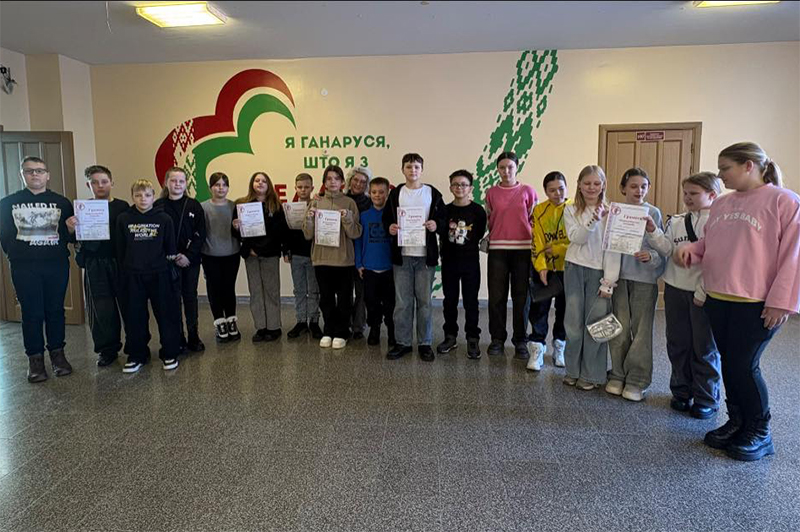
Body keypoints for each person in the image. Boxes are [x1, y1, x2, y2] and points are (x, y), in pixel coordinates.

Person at [677, 142, 800, 462]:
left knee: (745, 366)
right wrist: (693, 249)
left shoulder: (784, 201)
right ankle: (737, 422)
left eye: (725, 168)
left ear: (749, 166)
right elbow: (713, 241)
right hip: (719, 297)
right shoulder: (722, 203)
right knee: (730, 363)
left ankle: (760, 431)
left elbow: (793, 255)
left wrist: (781, 302)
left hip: (757, 301)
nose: (720, 175)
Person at [645, 171, 721, 419]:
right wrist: (653, 231)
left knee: (704, 347)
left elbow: (718, 261)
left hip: (704, 293)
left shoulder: (720, 223)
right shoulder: (677, 221)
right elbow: (668, 249)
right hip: (675, 289)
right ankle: (681, 391)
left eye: (694, 193)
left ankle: (706, 398)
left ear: (712, 194)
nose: (687, 198)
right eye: (685, 193)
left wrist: (703, 291)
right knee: (678, 343)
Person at [1, 156, 75, 383]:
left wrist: (71, 230)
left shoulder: (62, 202)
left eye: (39, 170)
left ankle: (58, 356)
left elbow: (70, 238)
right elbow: (4, 234)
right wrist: (17, 253)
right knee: (31, 313)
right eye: (29, 171)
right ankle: (35, 360)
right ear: (22, 174)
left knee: (55, 310)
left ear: (47, 175)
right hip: (24, 267)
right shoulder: (7, 203)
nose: (35, 174)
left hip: (56, 265)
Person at [603, 168, 665, 402]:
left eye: (643, 186)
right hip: (619, 279)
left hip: (644, 281)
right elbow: (606, 245)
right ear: (623, 188)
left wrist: (651, 257)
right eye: (633, 186)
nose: (639, 191)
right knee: (618, 327)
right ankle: (618, 374)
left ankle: (637, 379)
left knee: (641, 331)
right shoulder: (615, 212)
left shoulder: (653, 213)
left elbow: (662, 248)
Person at [383, 153, 446, 361]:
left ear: (422, 169)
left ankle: (425, 343)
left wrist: (436, 225)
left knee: (425, 302)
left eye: (417, 167)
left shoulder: (432, 193)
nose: (413, 170)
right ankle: (403, 342)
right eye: (409, 167)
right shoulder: (396, 194)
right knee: (402, 302)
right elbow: (386, 220)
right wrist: (390, 228)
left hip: (424, 257)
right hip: (402, 257)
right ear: (402, 169)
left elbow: (443, 219)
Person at [116, 179, 181, 373]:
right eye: (138, 195)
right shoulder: (124, 219)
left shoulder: (164, 219)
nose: (142, 199)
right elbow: (120, 249)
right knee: (134, 316)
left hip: (159, 273)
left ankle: (169, 352)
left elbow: (170, 247)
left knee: (166, 314)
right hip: (132, 274)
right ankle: (137, 355)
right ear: (132, 197)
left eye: (147, 195)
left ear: (153, 197)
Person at [68, 165, 129, 367]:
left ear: (112, 182)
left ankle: (135, 346)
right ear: (89, 185)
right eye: (95, 182)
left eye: (104, 181)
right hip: (95, 263)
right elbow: (74, 238)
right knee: (101, 309)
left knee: (129, 306)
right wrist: (71, 229)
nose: (100, 186)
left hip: (120, 262)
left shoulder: (122, 206)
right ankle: (107, 349)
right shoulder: (82, 209)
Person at [562, 165, 614, 391]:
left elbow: (614, 249)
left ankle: (591, 374)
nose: (592, 187)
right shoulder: (570, 209)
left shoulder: (612, 212)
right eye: (587, 183)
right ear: (579, 185)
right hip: (574, 268)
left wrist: (609, 280)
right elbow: (577, 238)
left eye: (596, 183)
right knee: (573, 323)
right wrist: (594, 219)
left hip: (600, 273)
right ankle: (572, 370)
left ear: (603, 185)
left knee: (596, 324)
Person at [485, 152, 538, 359]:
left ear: (517, 167)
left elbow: (534, 219)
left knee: (521, 297)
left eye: (510, 167)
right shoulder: (491, 193)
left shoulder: (528, 191)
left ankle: (520, 340)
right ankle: (497, 339)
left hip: (523, 250)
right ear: (497, 169)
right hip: (498, 249)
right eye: (502, 167)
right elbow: (489, 218)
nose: (506, 171)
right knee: (496, 296)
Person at [303, 165, 363, 349]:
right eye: (328, 179)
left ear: (343, 182)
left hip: (343, 260)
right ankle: (329, 329)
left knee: (344, 298)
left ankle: (342, 331)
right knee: (326, 298)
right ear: (324, 182)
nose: (332, 182)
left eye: (336, 178)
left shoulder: (349, 203)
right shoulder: (315, 202)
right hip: (321, 259)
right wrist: (310, 218)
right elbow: (307, 234)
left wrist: (347, 218)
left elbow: (355, 233)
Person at [155, 166, 206, 353]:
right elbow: (156, 236)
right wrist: (171, 255)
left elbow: (201, 234)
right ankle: (178, 337)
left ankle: (193, 336)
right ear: (166, 183)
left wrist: (188, 255)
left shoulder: (194, 205)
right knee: (172, 300)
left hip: (190, 261)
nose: (177, 184)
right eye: (173, 180)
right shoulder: (157, 206)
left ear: (186, 184)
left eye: (181, 181)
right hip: (167, 263)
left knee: (190, 297)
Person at [436, 170, 487, 359]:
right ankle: (450, 336)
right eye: (456, 184)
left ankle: (473, 337)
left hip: (470, 262)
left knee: (471, 302)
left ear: (470, 188)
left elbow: (478, 234)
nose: (460, 188)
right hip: (449, 262)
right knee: (449, 301)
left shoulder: (478, 211)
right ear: (450, 187)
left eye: (464, 184)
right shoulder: (444, 210)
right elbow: (441, 232)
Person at [233, 172, 287, 342]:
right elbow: (237, 234)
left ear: (268, 184)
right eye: (257, 180)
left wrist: (261, 249)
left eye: (264, 181)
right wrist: (235, 227)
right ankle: (261, 327)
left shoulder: (276, 206)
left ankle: (274, 327)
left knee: (271, 290)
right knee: (255, 291)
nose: (260, 183)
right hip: (250, 255)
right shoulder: (241, 205)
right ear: (252, 184)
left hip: (269, 254)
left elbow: (279, 232)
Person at [526, 171, 570, 371]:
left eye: (561, 189)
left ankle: (560, 346)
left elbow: (579, 241)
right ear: (545, 191)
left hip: (568, 268)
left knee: (565, 310)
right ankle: (537, 347)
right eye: (552, 190)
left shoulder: (574, 209)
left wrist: (559, 249)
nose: (557, 193)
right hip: (544, 268)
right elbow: (537, 241)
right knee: (539, 309)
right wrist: (541, 267)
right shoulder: (539, 210)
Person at [354, 177, 395, 347]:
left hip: (389, 268)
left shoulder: (393, 215)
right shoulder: (364, 216)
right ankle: (374, 328)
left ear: (387, 193)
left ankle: (392, 331)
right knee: (371, 302)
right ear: (369, 194)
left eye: (381, 192)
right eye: (374, 192)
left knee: (390, 303)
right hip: (369, 268)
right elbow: (358, 241)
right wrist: (359, 263)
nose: (377, 195)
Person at [200, 172, 241, 343]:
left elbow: (242, 232)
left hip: (232, 254)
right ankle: (219, 322)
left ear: (228, 187)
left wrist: (239, 228)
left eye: (224, 185)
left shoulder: (235, 206)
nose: (221, 188)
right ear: (210, 188)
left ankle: (231, 320)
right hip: (210, 255)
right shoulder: (202, 207)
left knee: (229, 288)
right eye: (217, 185)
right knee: (214, 289)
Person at [285, 173, 322, 339]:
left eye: (306, 187)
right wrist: (286, 251)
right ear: (295, 188)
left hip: (314, 254)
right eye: (300, 187)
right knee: (299, 290)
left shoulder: (318, 206)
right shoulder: (290, 208)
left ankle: (314, 321)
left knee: (314, 290)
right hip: (296, 255)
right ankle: (301, 321)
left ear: (312, 188)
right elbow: (285, 232)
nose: (303, 190)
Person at [346, 166, 372, 340]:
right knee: (345, 292)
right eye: (355, 180)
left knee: (362, 293)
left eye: (363, 182)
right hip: (344, 252)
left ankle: (358, 327)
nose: (358, 184)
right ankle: (345, 323)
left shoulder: (370, 203)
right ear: (349, 181)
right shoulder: (341, 200)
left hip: (363, 253)